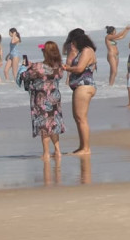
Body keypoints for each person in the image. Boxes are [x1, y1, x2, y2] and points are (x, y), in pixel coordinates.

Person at [18, 42, 66, 164]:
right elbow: (49, 71)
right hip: (55, 97)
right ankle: (58, 150)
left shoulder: (38, 67)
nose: (42, 52)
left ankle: (46, 153)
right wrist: (32, 65)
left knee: (44, 126)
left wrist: (24, 67)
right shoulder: (59, 67)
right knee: (54, 123)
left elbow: (25, 76)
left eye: (43, 50)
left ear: (46, 52)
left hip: (41, 99)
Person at [62, 28, 98, 156]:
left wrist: (67, 68)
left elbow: (80, 68)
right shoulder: (82, 51)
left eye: (72, 41)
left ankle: (86, 148)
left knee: (81, 118)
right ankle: (82, 146)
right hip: (80, 86)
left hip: (84, 86)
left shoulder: (87, 50)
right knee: (78, 118)